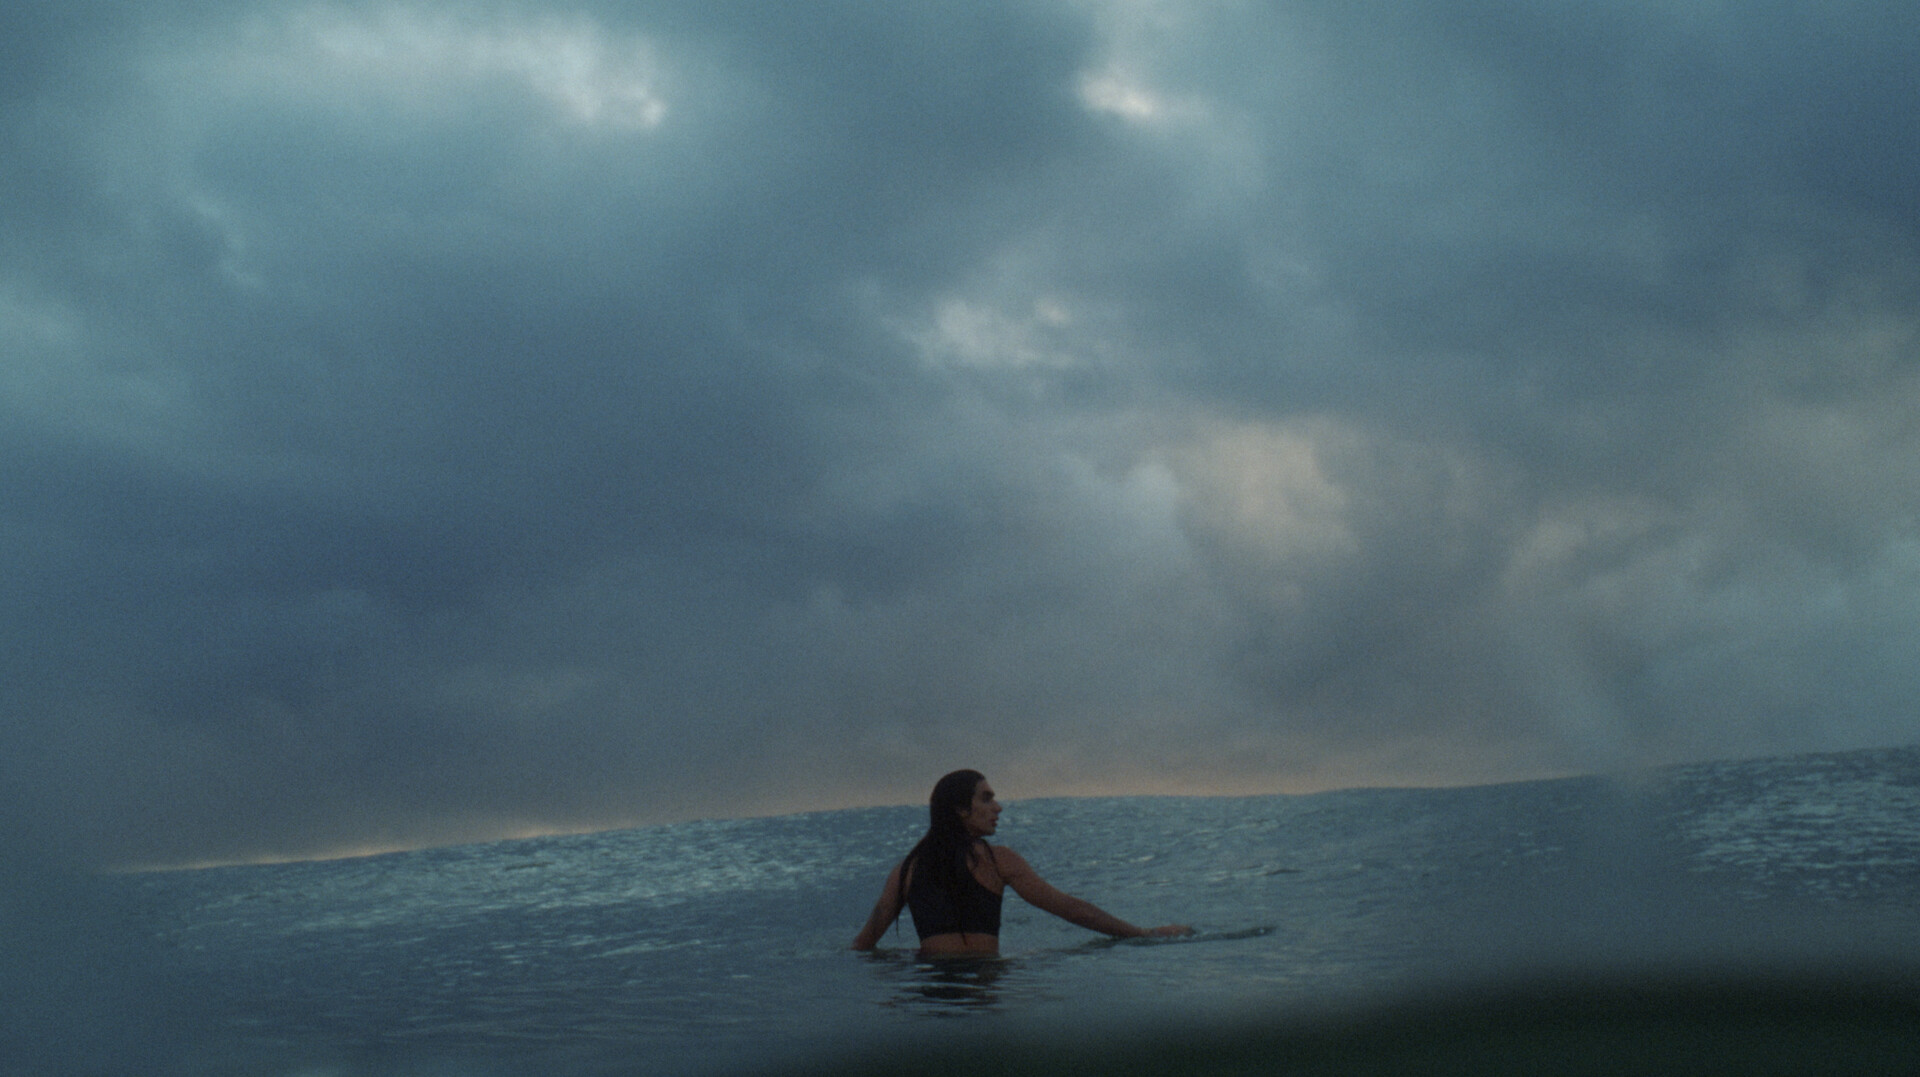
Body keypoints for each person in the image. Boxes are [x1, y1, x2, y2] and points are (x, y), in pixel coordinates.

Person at [851, 769, 1191, 955]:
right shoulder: (999, 861)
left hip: (928, 995)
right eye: (986, 798)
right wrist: (1145, 933)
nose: (997, 807)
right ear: (959, 809)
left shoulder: (906, 870)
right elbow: (1072, 910)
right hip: (986, 987)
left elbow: (864, 944)